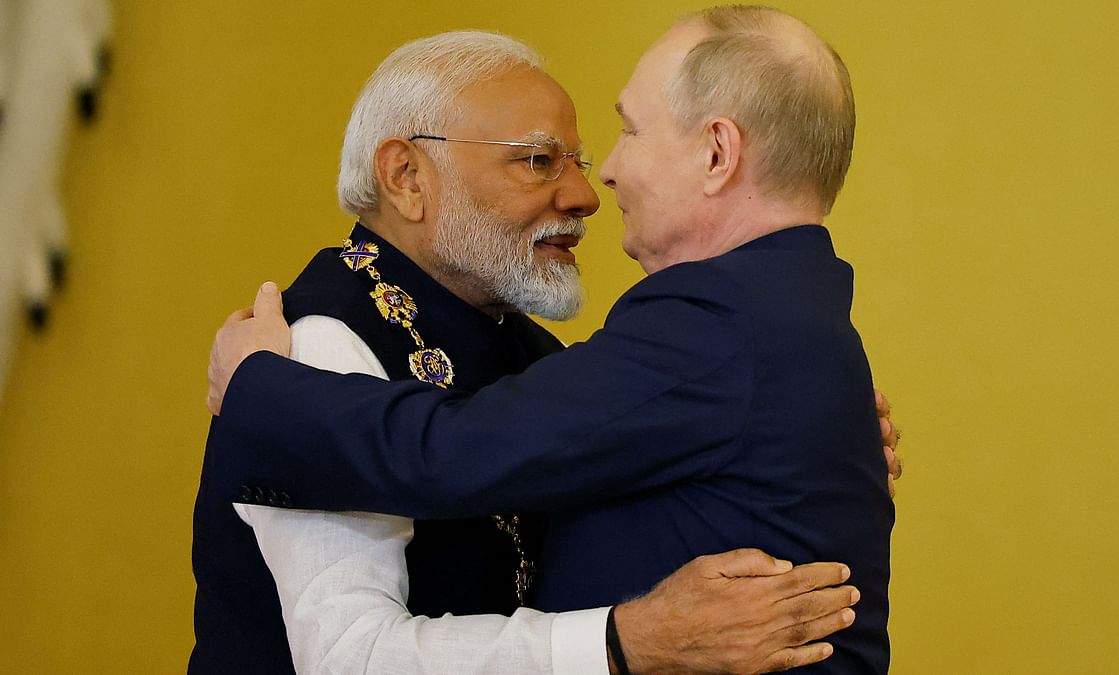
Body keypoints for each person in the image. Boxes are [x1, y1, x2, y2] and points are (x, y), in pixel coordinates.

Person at [191, 28, 896, 674]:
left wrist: (253, 384)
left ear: (718, 152)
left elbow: (461, 450)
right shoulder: (313, 344)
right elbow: (351, 656)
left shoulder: (639, 336)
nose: (591, 190)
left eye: (601, 148)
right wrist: (623, 642)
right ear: (407, 176)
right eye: (538, 160)